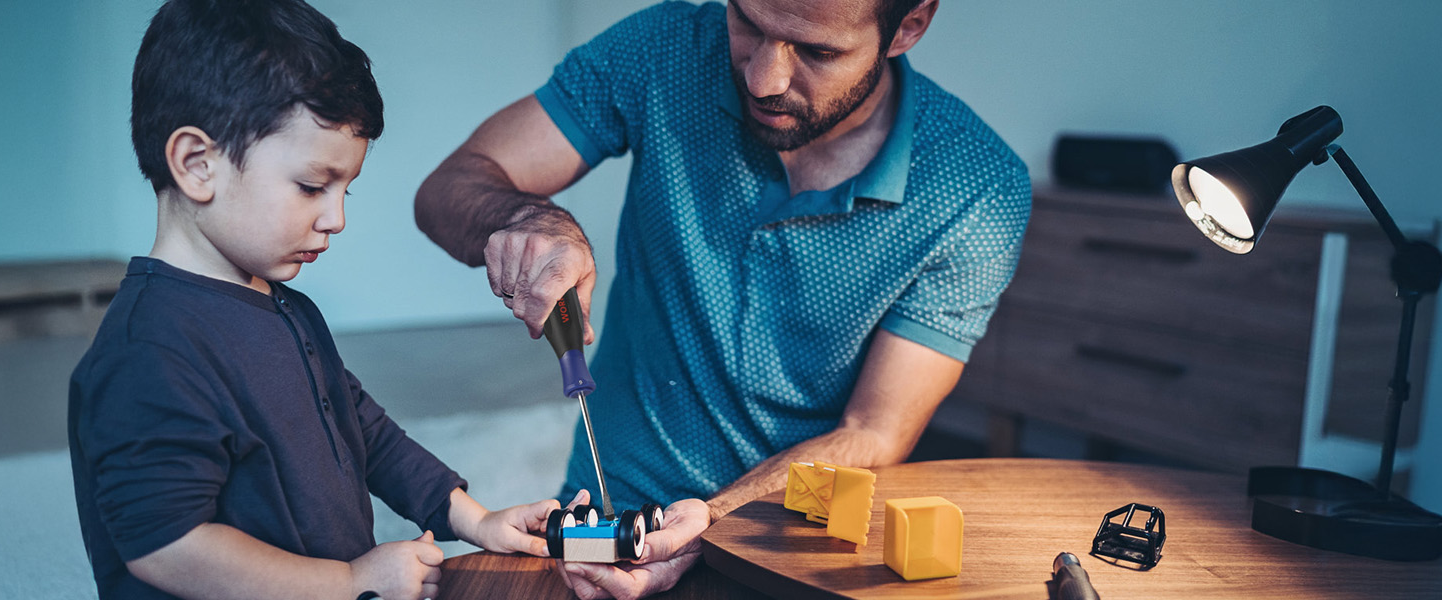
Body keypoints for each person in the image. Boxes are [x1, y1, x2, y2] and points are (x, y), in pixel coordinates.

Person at [416, 0, 1030, 597]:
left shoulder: (977, 190)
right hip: (611, 501)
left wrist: (713, 518)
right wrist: (529, 219)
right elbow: (449, 188)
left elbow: (873, 430)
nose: (764, 78)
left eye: (817, 50)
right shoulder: (663, 48)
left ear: (909, 25)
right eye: (748, 21)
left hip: (790, 541)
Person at [67, 1, 582, 599]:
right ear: (196, 164)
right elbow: (167, 549)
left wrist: (474, 519)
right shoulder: (148, 351)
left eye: (344, 188)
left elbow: (366, 433)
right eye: (312, 186)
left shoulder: (287, 308)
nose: (335, 218)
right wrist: (347, 581)